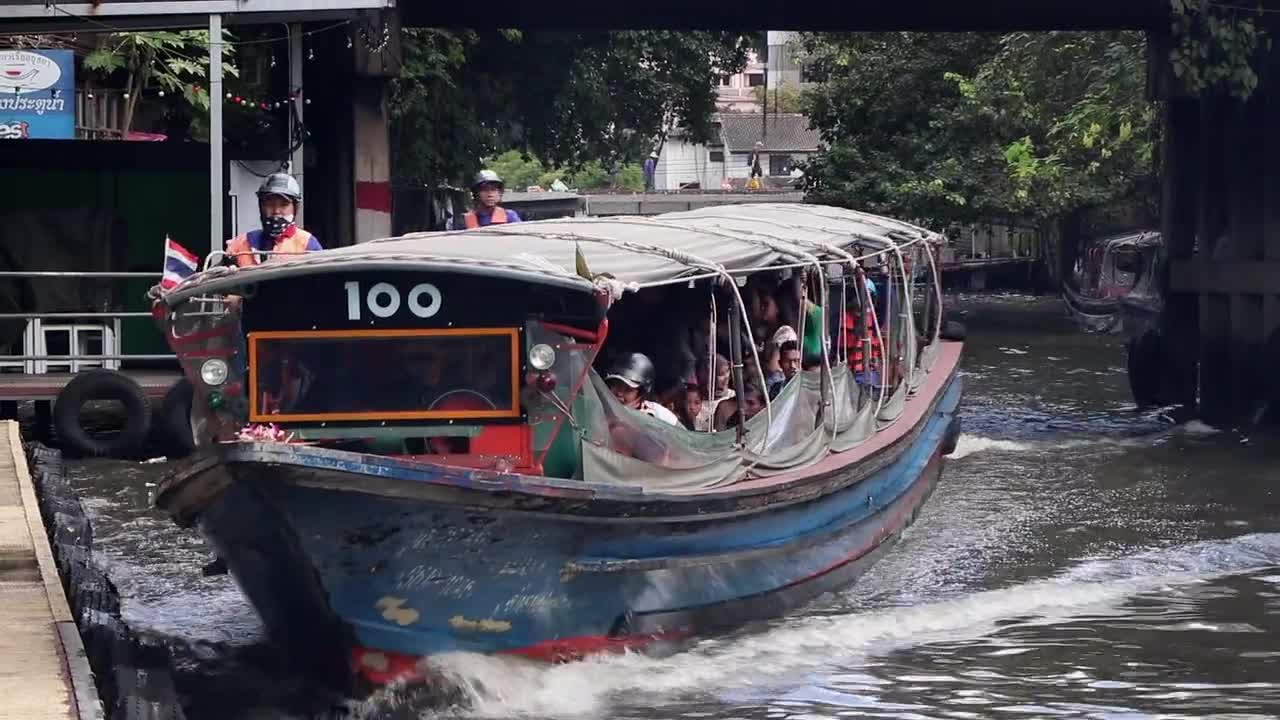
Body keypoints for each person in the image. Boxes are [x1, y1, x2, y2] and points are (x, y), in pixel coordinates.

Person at [225, 172, 321, 267]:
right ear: (260, 207)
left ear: (295, 208)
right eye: (269, 204)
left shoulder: (307, 243)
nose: (276, 211)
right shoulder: (241, 243)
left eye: (284, 205)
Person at [604, 352, 681, 426]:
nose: (619, 393)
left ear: (641, 393)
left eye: (628, 389)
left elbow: (684, 435)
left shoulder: (657, 413)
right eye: (616, 385)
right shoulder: (599, 405)